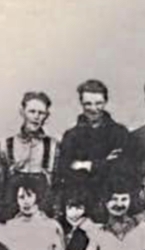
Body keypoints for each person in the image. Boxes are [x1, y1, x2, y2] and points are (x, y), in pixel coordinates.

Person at [56, 79, 134, 219]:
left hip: (112, 205)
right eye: (88, 104)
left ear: (105, 102)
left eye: (98, 103)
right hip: (80, 205)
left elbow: (122, 169)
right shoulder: (71, 136)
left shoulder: (119, 133)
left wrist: (85, 165)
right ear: (81, 103)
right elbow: (65, 170)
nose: (93, 108)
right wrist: (104, 163)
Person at [3, 174, 65, 250]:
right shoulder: (9, 227)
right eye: (21, 197)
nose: (26, 202)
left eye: (29, 196)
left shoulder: (51, 226)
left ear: (37, 197)